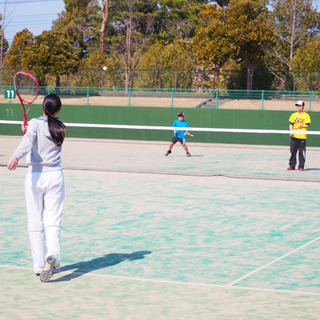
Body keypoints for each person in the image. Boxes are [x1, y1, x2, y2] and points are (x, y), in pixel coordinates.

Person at [7, 93, 66, 282]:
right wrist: (28, 130)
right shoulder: (61, 127)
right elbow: (40, 134)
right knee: (52, 221)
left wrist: (16, 155)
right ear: (57, 110)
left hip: (35, 176)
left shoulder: (35, 123)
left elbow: (27, 142)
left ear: (43, 107)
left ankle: (39, 265)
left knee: (35, 222)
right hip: (55, 176)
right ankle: (54, 256)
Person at [287, 100, 311, 171]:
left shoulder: (306, 115)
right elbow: (291, 124)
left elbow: (307, 125)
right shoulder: (293, 115)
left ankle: (301, 166)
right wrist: (291, 131)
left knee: (301, 153)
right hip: (294, 137)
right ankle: (292, 166)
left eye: (300, 106)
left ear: (303, 107)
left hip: (302, 137)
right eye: (297, 106)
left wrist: (302, 126)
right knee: (292, 152)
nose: (298, 107)